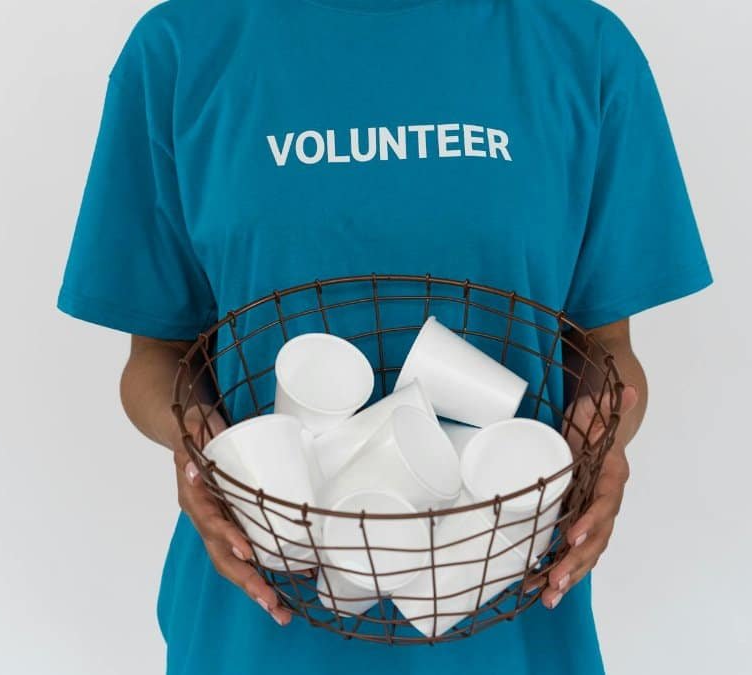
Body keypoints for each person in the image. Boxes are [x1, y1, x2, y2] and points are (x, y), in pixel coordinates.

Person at [57, 0, 711, 672]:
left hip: (507, 629)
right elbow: (153, 358)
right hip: (257, 630)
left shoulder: (583, 50)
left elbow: (607, 351)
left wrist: (603, 437)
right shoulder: (183, 48)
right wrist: (195, 441)